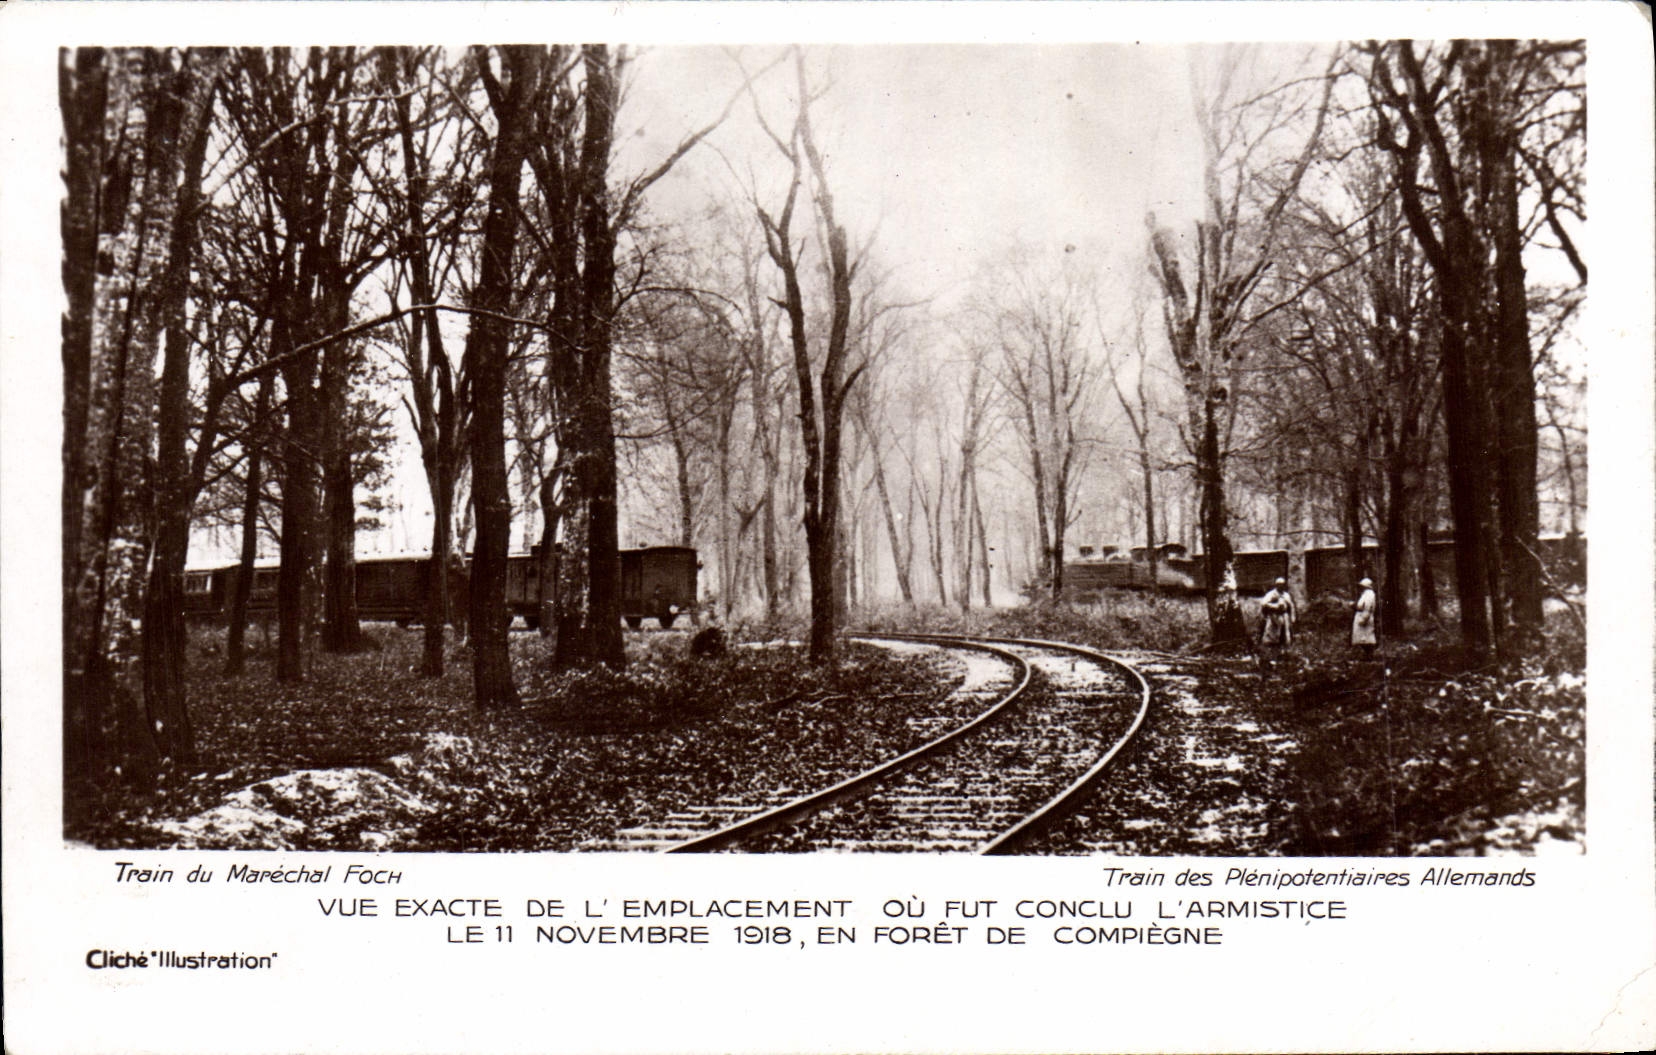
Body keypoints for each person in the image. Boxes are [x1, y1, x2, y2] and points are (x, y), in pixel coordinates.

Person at [1259, 577, 1296, 662]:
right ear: (1276, 585)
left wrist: (1292, 617)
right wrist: (1275, 606)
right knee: (1272, 634)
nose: (1281, 586)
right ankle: (1271, 654)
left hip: (1284, 616)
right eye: (1279, 585)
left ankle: (1283, 653)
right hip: (1274, 616)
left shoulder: (1286, 595)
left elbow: (1291, 606)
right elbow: (1264, 603)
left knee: (1284, 634)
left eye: (1282, 585)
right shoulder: (1271, 594)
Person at [1352, 577, 1378, 657]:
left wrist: (1353, 605)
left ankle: (1369, 655)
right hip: (1364, 616)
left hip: (1364, 616)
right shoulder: (1367, 594)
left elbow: (1365, 607)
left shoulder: (1369, 595)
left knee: (1365, 638)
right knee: (1364, 638)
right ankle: (1367, 655)